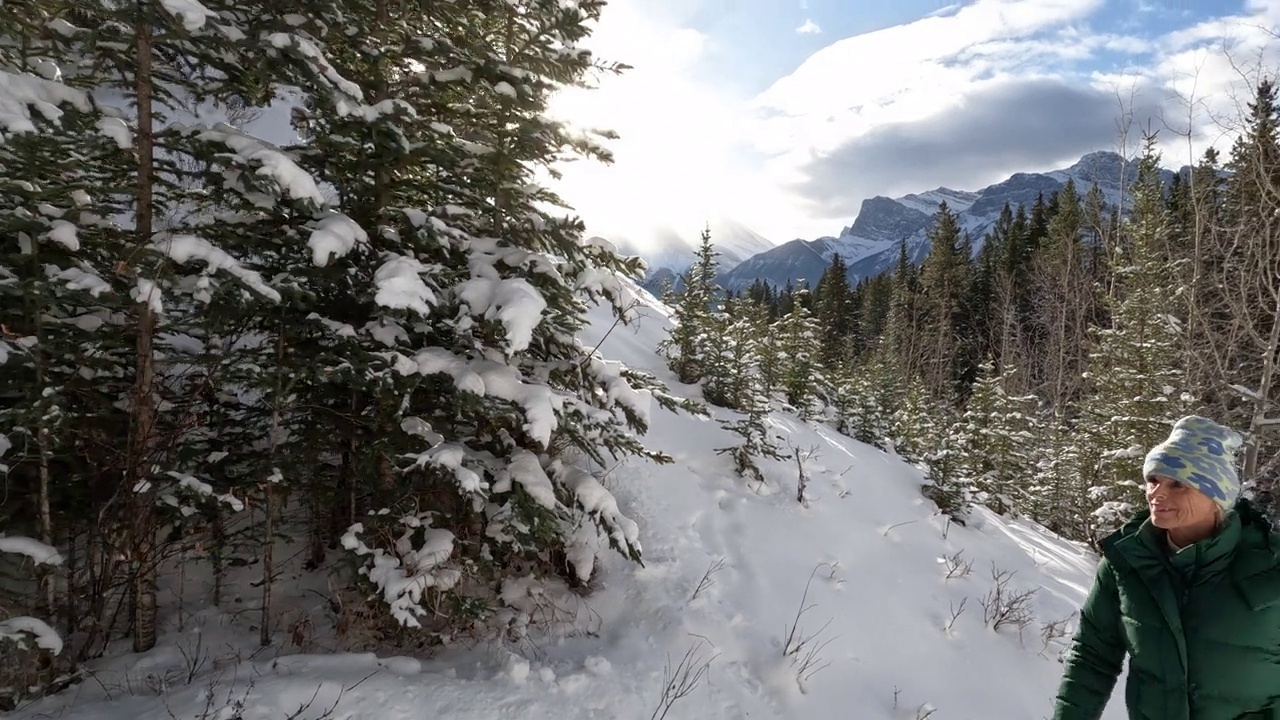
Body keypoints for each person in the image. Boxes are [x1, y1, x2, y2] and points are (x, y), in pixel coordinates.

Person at [1052, 415, 1280, 720]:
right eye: (1153, 480)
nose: (1157, 494)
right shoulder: (1127, 563)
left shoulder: (1270, 562)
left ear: (1216, 494)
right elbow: (1093, 658)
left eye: (1178, 484)